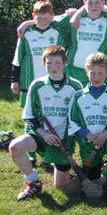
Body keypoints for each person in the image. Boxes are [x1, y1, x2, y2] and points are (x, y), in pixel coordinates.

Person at [9, 45, 83, 200]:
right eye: (49, 63)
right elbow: (28, 116)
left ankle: (56, 163)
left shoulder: (75, 86)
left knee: (61, 188)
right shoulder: (36, 85)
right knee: (15, 147)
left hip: (62, 140)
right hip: (41, 134)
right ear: (43, 64)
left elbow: (79, 117)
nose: (53, 67)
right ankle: (33, 182)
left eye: (57, 63)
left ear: (65, 63)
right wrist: (44, 134)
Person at [11, 1, 71, 166]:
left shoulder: (58, 32)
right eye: (38, 18)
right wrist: (14, 79)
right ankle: (31, 153)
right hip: (29, 81)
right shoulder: (26, 33)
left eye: (46, 18)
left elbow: (70, 24)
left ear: (51, 17)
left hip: (51, 81)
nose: (42, 21)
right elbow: (18, 58)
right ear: (33, 17)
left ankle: (49, 152)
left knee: (49, 114)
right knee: (29, 115)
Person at [68, 52, 107, 186]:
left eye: (100, 73)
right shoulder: (78, 97)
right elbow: (72, 122)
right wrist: (88, 135)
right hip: (89, 144)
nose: (96, 77)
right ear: (86, 72)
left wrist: (106, 134)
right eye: (93, 73)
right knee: (97, 184)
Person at [65, 0, 107, 86]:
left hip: (99, 74)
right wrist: (27, 24)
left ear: (103, 2)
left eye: (97, 2)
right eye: (90, 3)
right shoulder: (74, 17)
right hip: (74, 71)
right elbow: (47, 21)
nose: (93, 6)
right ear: (84, 2)